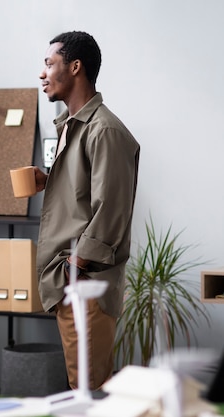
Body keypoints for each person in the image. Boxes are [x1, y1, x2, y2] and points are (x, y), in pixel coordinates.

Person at [34, 31, 140, 391]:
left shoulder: (105, 130)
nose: (42, 73)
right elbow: (86, 192)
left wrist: (74, 267)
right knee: (82, 385)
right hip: (73, 282)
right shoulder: (71, 125)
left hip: (86, 283)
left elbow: (111, 210)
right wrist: (49, 180)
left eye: (50, 64)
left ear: (75, 67)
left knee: (90, 389)